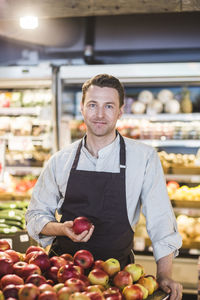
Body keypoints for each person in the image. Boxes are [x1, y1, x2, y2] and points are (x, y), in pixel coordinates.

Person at [26, 74, 182, 300]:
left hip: (118, 280)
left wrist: (165, 274)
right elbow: (34, 216)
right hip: (63, 277)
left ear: (120, 111)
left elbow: (161, 221)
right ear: (82, 108)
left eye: (108, 106)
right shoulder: (61, 160)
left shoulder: (144, 158)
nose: (99, 114)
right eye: (92, 105)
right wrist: (61, 229)